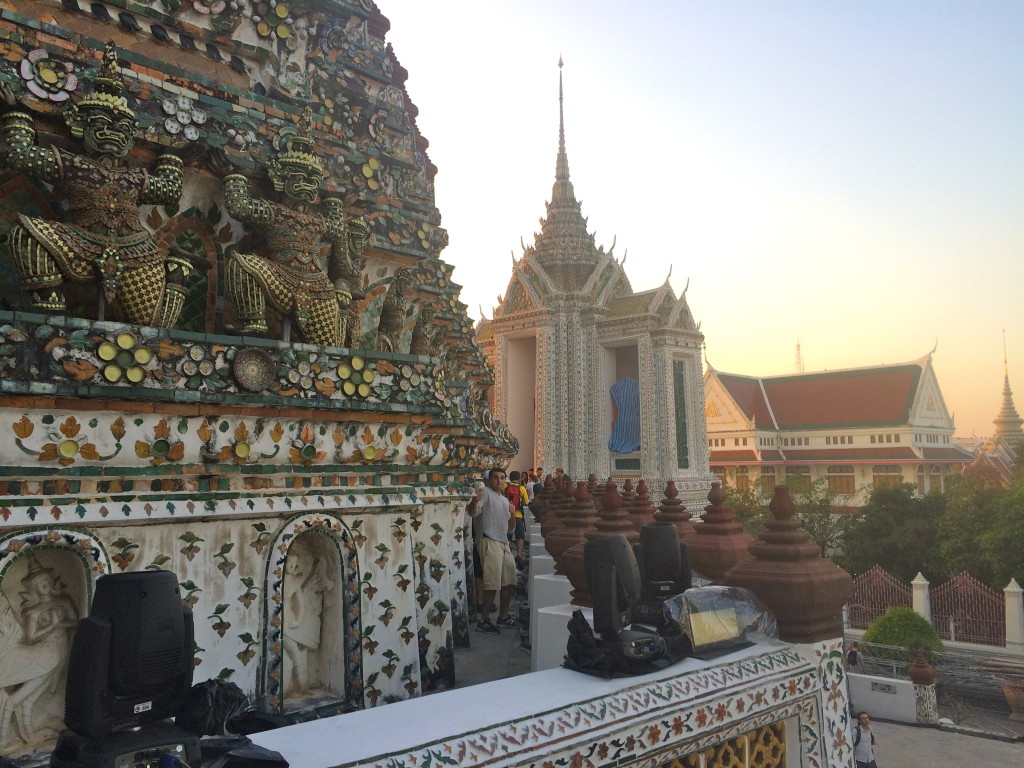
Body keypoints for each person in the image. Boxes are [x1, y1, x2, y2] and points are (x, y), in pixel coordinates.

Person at [467, 468, 516, 634]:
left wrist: (513, 514)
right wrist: (474, 501)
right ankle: (484, 620)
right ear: (489, 480)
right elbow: (473, 512)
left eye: (502, 478)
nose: (499, 481)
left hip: (503, 542)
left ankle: (503, 617)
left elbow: (510, 529)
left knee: (508, 582)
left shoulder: (504, 500)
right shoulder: (484, 492)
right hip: (488, 539)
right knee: (492, 583)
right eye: (495, 478)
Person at [504, 471, 529, 566]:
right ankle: (519, 555)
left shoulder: (505, 486)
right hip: (518, 515)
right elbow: (526, 502)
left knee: (508, 535)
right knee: (520, 536)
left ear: (510, 478)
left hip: (507, 515)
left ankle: (508, 554)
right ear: (519, 479)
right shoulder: (521, 488)